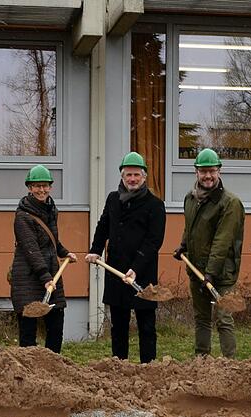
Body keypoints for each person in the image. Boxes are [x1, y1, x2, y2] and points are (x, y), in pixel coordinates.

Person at [86, 152, 166, 363]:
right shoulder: (113, 199)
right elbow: (103, 226)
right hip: (116, 272)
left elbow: (154, 241)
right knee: (118, 324)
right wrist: (95, 250)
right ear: (122, 177)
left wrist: (137, 267)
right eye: (128, 175)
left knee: (146, 325)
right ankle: (118, 366)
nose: (132, 179)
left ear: (144, 177)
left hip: (143, 273)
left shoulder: (155, 205)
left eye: (136, 175)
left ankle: (149, 368)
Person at [173, 148, 245, 358]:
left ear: (219, 171)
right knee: (201, 317)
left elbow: (222, 241)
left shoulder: (230, 203)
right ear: (196, 172)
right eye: (203, 171)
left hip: (221, 273)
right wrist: (183, 245)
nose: (208, 176)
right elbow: (191, 226)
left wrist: (211, 273)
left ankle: (229, 364)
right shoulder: (191, 198)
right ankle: (201, 360)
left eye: (212, 171)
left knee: (223, 317)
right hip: (197, 269)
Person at [11, 165, 77, 353]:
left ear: (50, 187)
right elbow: (32, 249)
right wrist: (45, 277)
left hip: (50, 272)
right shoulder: (22, 216)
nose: (41, 190)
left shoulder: (50, 209)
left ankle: (53, 365)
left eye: (45, 185)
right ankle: (29, 368)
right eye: (37, 186)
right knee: (28, 329)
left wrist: (63, 252)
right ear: (29, 188)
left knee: (56, 320)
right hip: (28, 276)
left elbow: (50, 239)